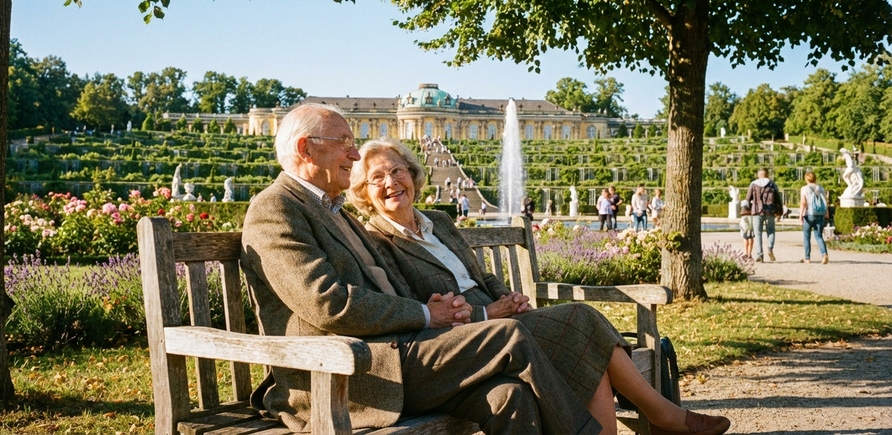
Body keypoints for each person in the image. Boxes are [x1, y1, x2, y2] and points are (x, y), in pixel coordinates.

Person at [240, 105, 604, 434]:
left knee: (509, 395)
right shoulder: (275, 208)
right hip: (344, 373)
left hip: (396, 355)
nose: (354, 154)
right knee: (508, 335)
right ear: (305, 148)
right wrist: (426, 313)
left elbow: (388, 285)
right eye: (344, 143)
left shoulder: (337, 212)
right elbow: (328, 303)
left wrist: (433, 307)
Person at [348, 137, 731, 435]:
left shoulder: (438, 221)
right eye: (376, 178)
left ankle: (656, 419)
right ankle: (663, 415)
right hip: (470, 338)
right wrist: (487, 312)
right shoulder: (377, 240)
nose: (391, 183)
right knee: (580, 319)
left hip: (505, 320)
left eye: (397, 171)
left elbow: (481, 276)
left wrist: (506, 296)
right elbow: (420, 306)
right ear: (364, 193)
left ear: (413, 175)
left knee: (580, 334)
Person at [745, 168, 781, 262]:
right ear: (767, 175)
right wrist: (779, 212)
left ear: (758, 175)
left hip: (756, 211)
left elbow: (747, 199)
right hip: (770, 211)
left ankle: (759, 255)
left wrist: (746, 210)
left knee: (758, 234)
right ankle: (769, 248)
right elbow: (778, 199)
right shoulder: (772, 184)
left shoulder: (753, 184)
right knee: (771, 231)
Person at [800, 171, 830, 264]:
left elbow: (803, 203)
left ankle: (807, 258)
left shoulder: (804, 188)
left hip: (809, 214)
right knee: (818, 236)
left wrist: (800, 216)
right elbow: (825, 201)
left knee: (806, 237)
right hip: (820, 214)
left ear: (806, 179)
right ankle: (824, 254)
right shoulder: (820, 188)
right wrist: (826, 213)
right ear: (815, 178)